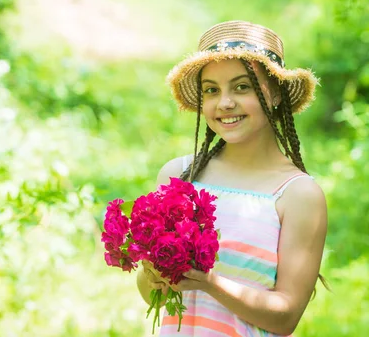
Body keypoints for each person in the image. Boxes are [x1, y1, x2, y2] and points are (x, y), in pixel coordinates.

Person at [136, 20, 328, 336]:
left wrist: (209, 282)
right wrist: (152, 274)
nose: (225, 103)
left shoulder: (298, 195)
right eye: (212, 90)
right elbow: (155, 299)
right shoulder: (178, 176)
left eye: (242, 87)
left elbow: (286, 315)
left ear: (275, 93)